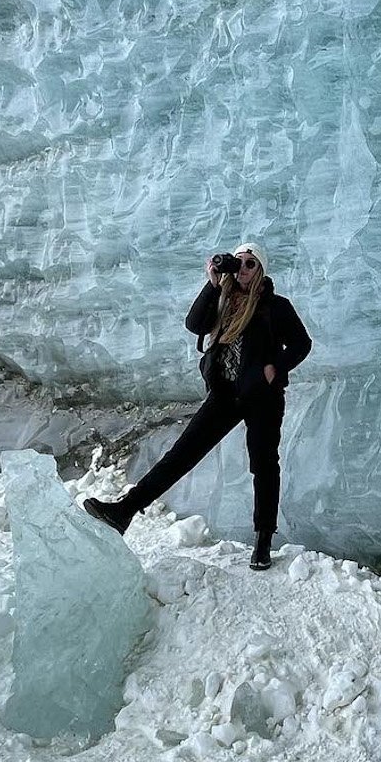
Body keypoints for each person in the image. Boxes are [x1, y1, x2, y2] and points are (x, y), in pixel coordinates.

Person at [84, 244, 313, 569]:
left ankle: (263, 541)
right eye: (239, 263)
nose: (243, 269)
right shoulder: (224, 299)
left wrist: (275, 366)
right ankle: (125, 511)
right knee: (181, 454)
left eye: (250, 264)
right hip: (224, 394)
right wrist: (213, 282)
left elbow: (302, 343)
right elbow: (195, 324)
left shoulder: (276, 307)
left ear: (261, 269)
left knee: (263, 466)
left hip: (262, 397)